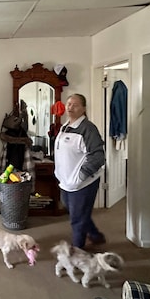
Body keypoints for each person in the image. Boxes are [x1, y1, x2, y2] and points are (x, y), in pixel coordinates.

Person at [54, 93, 106, 249]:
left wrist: (80, 176)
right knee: (74, 211)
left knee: (77, 218)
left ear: (83, 109)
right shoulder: (65, 126)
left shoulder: (88, 129)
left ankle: (77, 252)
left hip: (82, 183)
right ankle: (95, 235)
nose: (70, 107)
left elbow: (98, 157)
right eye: (69, 104)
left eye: (75, 105)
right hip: (66, 181)